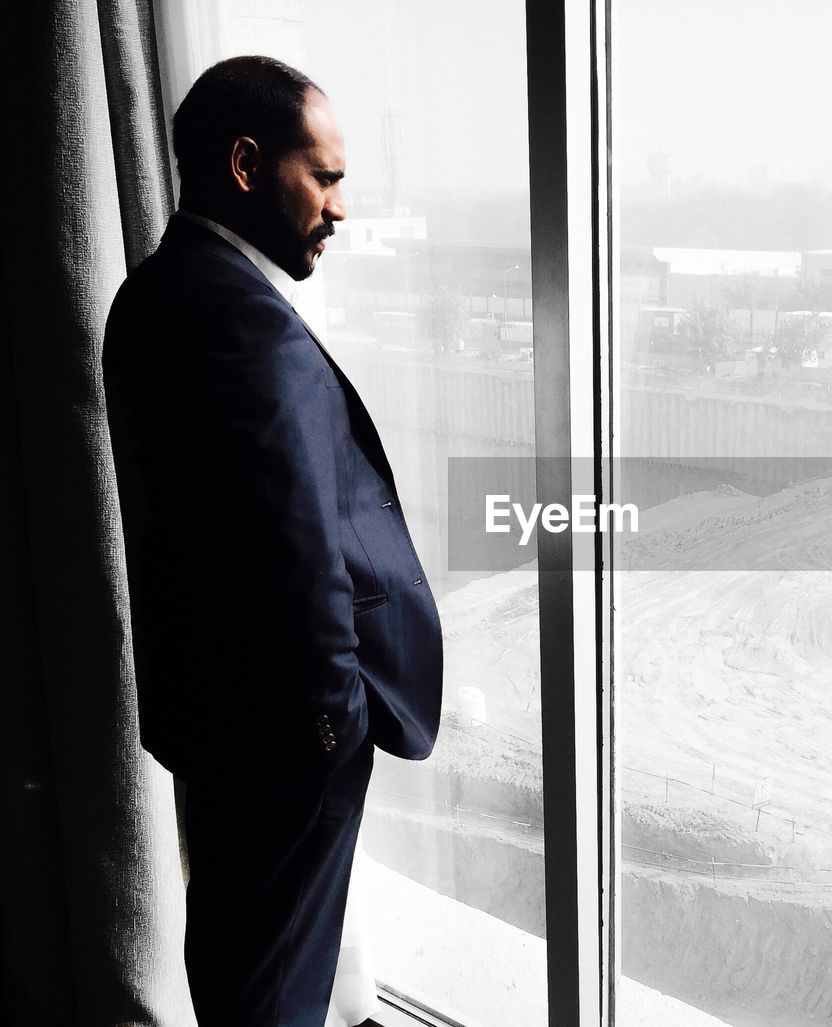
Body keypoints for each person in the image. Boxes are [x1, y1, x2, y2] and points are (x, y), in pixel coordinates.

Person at [102, 56, 443, 1026]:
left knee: (243, 964)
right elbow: (299, 552)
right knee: (271, 991)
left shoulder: (151, 296)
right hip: (284, 741)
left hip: (212, 718)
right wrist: (333, 726)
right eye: (323, 177)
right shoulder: (251, 326)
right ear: (246, 165)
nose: (338, 209)